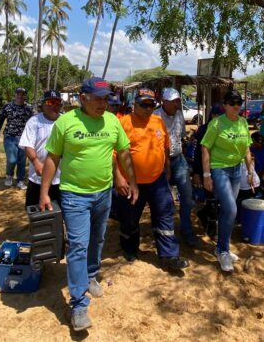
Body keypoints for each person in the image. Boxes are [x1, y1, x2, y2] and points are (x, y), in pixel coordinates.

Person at [37, 77, 139, 332]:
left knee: (98, 239)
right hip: (74, 195)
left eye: (106, 99)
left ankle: (91, 274)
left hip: (103, 193)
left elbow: (124, 153)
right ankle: (79, 305)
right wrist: (44, 192)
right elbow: (52, 158)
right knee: (78, 246)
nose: (103, 104)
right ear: (83, 98)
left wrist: (132, 182)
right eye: (98, 98)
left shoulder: (112, 121)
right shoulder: (66, 123)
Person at [114, 88, 189, 270]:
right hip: (132, 184)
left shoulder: (158, 122)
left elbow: (164, 148)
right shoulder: (123, 124)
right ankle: (129, 248)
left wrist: (167, 169)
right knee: (130, 219)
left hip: (158, 180)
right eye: (144, 104)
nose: (148, 109)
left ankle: (169, 255)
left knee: (165, 215)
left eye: (151, 104)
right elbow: (114, 154)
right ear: (135, 104)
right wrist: (118, 179)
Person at [201, 90, 254, 273]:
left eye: (239, 103)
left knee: (227, 211)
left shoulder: (243, 123)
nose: (236, 106)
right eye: (232, 103)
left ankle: (222, 247)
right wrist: (206, 175)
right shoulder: (216, 124)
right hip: (219, 169)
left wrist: (250, 171)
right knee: (231, 209)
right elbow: (205, 148)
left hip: (237, 169)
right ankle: (223, 250)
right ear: (225, 105)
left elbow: (246, 149)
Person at [155, 88, 201, 246]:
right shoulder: (155, 116)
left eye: (178, 101)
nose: (177, 104)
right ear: (164, 102)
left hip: (178, 159)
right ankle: (163, 232)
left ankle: (186, 230)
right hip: (160, 162)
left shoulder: (180, 115)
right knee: (165, 200)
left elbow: (181, 138)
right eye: (174, 101)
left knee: (187, 197)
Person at [19, 90, 63, 209]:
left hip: (62, 178)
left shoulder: (66, 121)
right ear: (42, 105)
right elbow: (28, 145)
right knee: (36, 211)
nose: (54, 105)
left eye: (58, 103)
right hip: (38, 177)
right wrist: (36, 162)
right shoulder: (34, 121)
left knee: (60, 213)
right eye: (50, 102)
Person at [0, 88, 34, 189]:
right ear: (15, 95)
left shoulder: (29, 108)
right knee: (11, 160)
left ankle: (20, 180)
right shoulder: (7, 107)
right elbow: (0, 121)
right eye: (18, 94)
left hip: (24, 138)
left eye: (22, 94)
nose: (20, 96)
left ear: (25, 96)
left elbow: (33, 122)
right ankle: (9, 175)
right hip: (9, 137)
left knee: (22, 161)